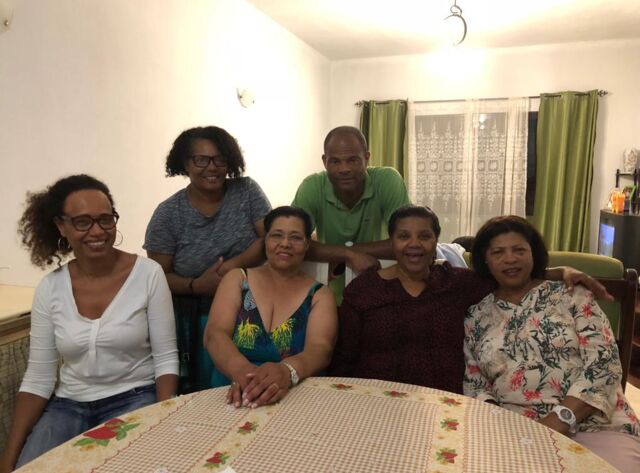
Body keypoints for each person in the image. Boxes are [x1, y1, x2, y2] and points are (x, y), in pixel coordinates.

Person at [329, 205, 612, 394]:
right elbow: (344, 359)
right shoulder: (364, 291)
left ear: (436, 241)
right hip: (377, 399)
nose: (414, 244)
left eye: (424, 236)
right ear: (392, 242)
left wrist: (560, 272)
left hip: (445, 403)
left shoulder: (458, 283)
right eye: (404, 236)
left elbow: (508, 275)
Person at [1, 175, 178, 472]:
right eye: (82, 222)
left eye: (105, 220)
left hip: (135, 398)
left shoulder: (148, 274)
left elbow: (166, 359)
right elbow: (39, 378)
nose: (97, 231)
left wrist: (163, 419)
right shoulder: (50, 288)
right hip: (67, 405)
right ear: (61, 226)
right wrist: (10, 459)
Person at [463, 215, 639, 472]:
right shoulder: (476, 316)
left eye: (519, 250)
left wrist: (556, 422)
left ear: (533, 254)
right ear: (485, 260)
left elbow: (604, 365)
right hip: (514, 431)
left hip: (596, 424)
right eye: (498, 252)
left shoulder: (572, 294)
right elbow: (476, 385)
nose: (510, 259)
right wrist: (496, 428)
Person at [144, 126, 271, 393]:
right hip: (196, 311)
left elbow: (269, 239)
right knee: (209, 391)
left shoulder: (247, 191)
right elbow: (157, 276)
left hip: (253, 305)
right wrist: (196, 285)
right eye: (201, 160)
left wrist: (231, 268)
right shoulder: (168, 214)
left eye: (219, 159)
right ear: (185, 163)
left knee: (259, 382)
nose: (211, 167)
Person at [292, 126, 466, 304]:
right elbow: (292, 242)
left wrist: (340, 252)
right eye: (335, 161)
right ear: (324, 161)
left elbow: (405, 242)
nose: (344, 169)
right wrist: (347, 254)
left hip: (384, 290)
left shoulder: (387, 181)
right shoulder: (312, 187)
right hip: (328, 294)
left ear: (367, 158)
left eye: (353, 160)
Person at [205, 206, 337, 408]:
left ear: (307, 245)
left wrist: (286, 371)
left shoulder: (320, 294)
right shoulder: (237, 279)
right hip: (232, 391)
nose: (285, 244)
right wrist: (243, 371)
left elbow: (320, 349)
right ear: (265, 240)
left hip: (295, 396)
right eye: (277, 235)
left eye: (295, 237)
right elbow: (215, 334)